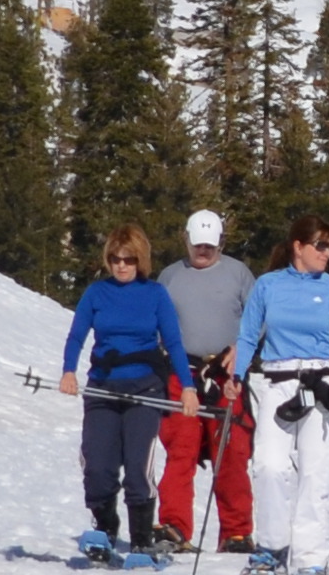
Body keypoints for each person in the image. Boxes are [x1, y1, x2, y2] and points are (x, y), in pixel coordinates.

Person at [230, 218, 329, 575]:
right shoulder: (268, 286)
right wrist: (237, 376)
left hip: (320, 385)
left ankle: (311, 560)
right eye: (319, 245)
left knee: (315, 475)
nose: (326, 253)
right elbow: (247, 336)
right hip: (279, 382)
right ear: (298, 247)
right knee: (270, 467)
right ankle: (271, 550)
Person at [56, 224, 188, 552]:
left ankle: (142, 539)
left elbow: (173, 341)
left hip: (144, 388)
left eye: (128, 259)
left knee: (137, 466)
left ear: (139, 260)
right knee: (97, 464)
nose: (121, 265)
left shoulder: (155, 294)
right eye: (115, 259)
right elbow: (76, 335)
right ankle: (105, 526)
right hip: (103, 387)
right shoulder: (97, 293)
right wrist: (68, 371)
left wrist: (188, 386)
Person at [154, 208, 254, 555]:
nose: (204, 252)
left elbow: (259, 318)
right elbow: (155, 324)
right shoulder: (170, 277)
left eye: (210, 246)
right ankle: (174, 526)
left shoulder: (238, 274)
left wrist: (242, 348)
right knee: (180, 448)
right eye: (198, 245)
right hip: (183, 374)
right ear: (186, 239)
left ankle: (236, 532)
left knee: (232, 451)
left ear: (221, 243)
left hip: (226, 374)